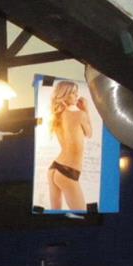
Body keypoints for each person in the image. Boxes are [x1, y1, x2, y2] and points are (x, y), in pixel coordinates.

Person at [47, 80, 91, 211]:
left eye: (77, 92)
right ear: (64, 95)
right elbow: (89, 133)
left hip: (54, 168)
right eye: (73, 93)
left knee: (55, 214)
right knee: (82, 214)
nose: (77, 95)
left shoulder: (57, 116)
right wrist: (86, 110)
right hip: (67, 172)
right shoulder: (79, 115)